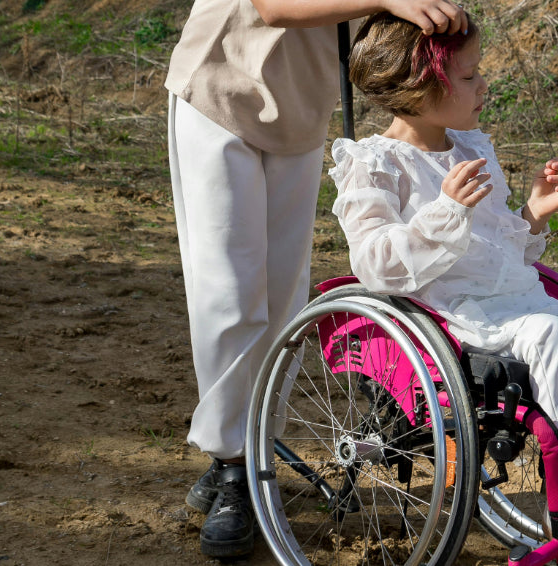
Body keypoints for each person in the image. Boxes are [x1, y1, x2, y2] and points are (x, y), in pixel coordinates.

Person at [328, 11, 558, 566]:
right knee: (552, 337)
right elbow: (376, 263)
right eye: (471, 75)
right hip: (454, 313)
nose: (484, 86)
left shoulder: (468, 145)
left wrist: (531, 215)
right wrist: (445, 212)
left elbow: (497, 247)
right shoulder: (376, 163)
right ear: (421, 86)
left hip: (515, 298)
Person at [163, 0, 469, 559]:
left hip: (302, 101)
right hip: (220, 83)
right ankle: (235, 468)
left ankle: (251, 445)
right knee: (229, 294)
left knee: (282, 298)